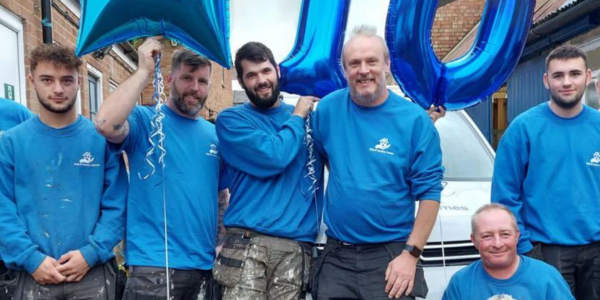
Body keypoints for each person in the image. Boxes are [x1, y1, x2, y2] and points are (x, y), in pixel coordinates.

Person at [310, 25, 444, 300]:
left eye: (372, 61)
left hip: (391, 256)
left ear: (386, 64)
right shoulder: (326, 111)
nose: (363, 70)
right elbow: (323, 162)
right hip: (336, 256)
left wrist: (411, 255)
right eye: (354, 63)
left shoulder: (415, 121)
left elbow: (430, 193)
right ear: (344, 69)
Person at [95, 37, 227, 300]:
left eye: (202, 81)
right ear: (169, 79)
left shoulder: (215, 136)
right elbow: (105, 124)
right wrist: (143, 71)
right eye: (187, 78)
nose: (194, 87)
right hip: (152, 268)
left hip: (203, 267)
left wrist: (221, 243)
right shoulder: (146, 121)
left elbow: (220, 195)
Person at [0, 43, 126, 299]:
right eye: (47, 79)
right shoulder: (11, 142)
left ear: (79, 82)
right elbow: (2, 208)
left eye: (66, 80)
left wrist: (91, 253)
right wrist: (30, 258)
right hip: (31, 273)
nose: (58, 89)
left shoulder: (101, 140)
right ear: (31, 79)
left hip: (92, 274)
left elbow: (118, 204)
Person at [212, 41, 322, 300]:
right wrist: (297, 117)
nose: (261, 80)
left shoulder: (312, 119)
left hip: (296, 249)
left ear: (278, 71)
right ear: (240, 81)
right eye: (251, 75)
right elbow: (274, 156)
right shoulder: (232, 121)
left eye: (266, 71)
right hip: (247, 244)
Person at [492, 44, 600, 300]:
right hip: (546, 252)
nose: (566, 82)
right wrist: (525, 248)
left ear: (587, 77)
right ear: (545, 80)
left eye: (574, 74)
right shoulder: (523, 129)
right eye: (558, 75)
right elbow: (504, 198)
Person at [442, 204, 573, 300]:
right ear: (474, 240)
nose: (498, 244)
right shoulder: (460, 283)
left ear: (517, 236)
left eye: (505, 234)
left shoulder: (547, 278)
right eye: (487, 236)